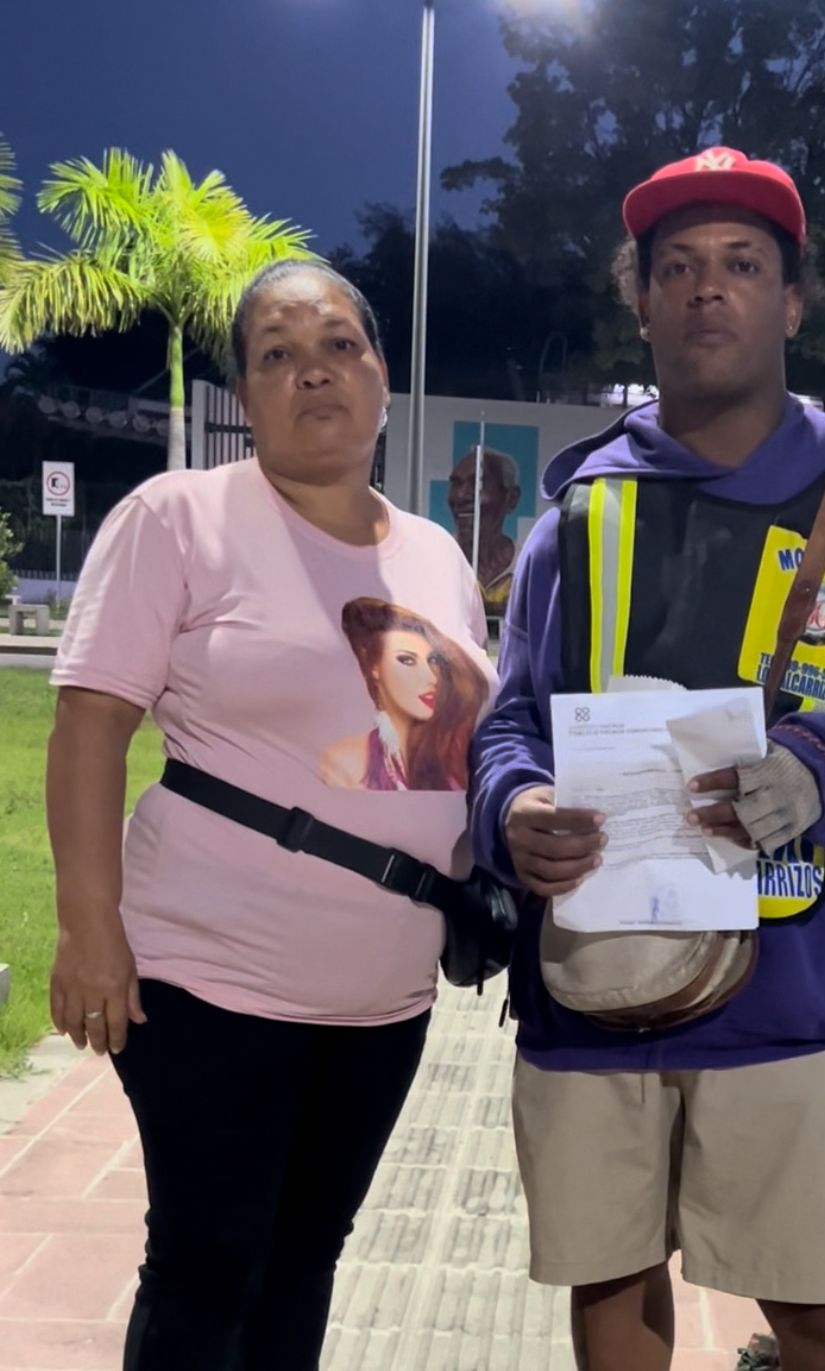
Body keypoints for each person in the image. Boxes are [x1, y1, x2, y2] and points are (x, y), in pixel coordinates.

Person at [468, 147, 825, 1371]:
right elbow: (509, 722)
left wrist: (823, 772)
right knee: (609, 1288)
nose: (708, 287)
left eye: (744, 265)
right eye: (679, 267)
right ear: (643, 303)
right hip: (593, 980)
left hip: (795, 993)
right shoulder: (576, 517)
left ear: (792, 303)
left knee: (818, 1315)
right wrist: (515, 805)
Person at [46, 259, 497, 1371]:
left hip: (383, 997)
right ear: (245, 395)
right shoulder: (180, 518)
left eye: (340, 345)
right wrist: (89, 928)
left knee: (306, 1258)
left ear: (381, 375)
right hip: (212, 977)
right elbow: (91, 724)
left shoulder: (435, 555)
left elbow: (434, 751)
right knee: (209, 1266)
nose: (314, 372)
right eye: (278, 355)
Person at [321, 596, 489, 791]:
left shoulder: (455, 754)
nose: (432, 678)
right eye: (407, 660)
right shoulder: (348, 760)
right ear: (374, 667)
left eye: (432, 661)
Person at [447, 446, 521, 616]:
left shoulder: (524, 569)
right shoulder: (436, 563)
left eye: (476, 485)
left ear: (511, 498)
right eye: (456, 484)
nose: (460, 496)